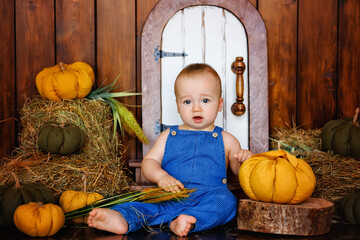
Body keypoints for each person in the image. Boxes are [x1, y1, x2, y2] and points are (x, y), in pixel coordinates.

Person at [87, 63, 254, 237]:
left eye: (205, 100)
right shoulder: (169, 135)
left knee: (227, 202)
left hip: (208, 197)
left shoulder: (227, 139)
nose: (196, 108)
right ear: (178, 105)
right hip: (171, 195)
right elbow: (149, 163)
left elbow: (239, 170)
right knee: (145, 204)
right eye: (187, 101)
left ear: (219, 104)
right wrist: (162, 177)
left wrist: (245, 160)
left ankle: (188, 220)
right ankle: (122, 218)